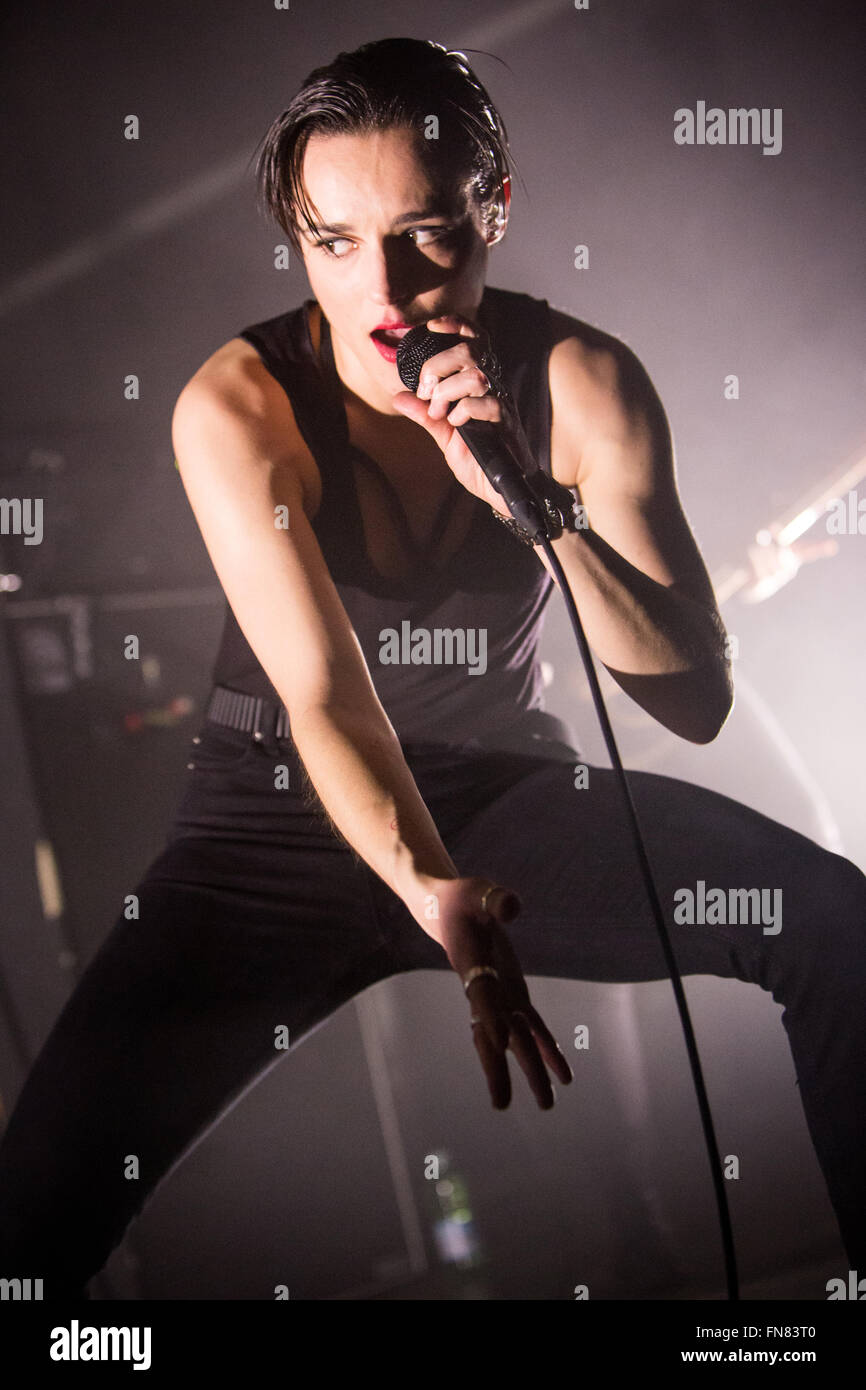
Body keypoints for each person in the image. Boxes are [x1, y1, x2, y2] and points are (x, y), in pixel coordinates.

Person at [0, 36, 864, 1301]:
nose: (383, 288)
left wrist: (536, 510)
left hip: (501, 796)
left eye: (423, 234)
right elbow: (323, 697)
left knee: (831, 921)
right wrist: (427, 891)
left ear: (494, 210)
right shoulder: (236, 405)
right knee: (33, 1225)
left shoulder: (580, 381)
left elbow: (691, 696)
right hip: (270, 829)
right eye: (333, 242)